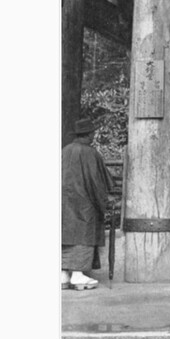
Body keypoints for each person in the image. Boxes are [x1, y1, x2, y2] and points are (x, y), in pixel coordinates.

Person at [62, 118, 114, 291]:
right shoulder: (90, 154)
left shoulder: (65, 151)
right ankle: (77, 274)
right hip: (84, 204)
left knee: (64, 235)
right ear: (90, 134)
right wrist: (104, 202)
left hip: (63, 203)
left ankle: (63, 275)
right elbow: (96, 182)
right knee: (83, 236)